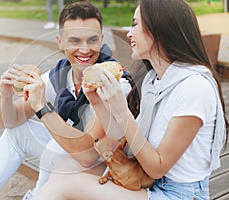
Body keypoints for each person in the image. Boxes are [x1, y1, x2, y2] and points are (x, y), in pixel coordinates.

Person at [30, 0, 229, 199]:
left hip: (179, 194)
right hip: (146, 178)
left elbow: (157, 168)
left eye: (135, 24)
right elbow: (126, 141)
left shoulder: (194, 88)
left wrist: (122, 112)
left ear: (159, 29)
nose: (129, 33)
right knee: (65, 166)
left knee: (70, 185)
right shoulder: (154, 81)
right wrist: (99, 104)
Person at [0, 2, 137, 200]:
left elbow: (89, 156)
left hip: (108, 166)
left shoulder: (114, 81)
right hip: (71, 156)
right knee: (18, 132)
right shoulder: (60, 74)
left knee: (55, 146)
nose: (84, 49)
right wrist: (5, 94)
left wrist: (42, 106)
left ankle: (38, 195)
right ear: (60, 42)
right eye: (74, 40)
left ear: (101, 40)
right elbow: (10, 121)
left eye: (92, 40)